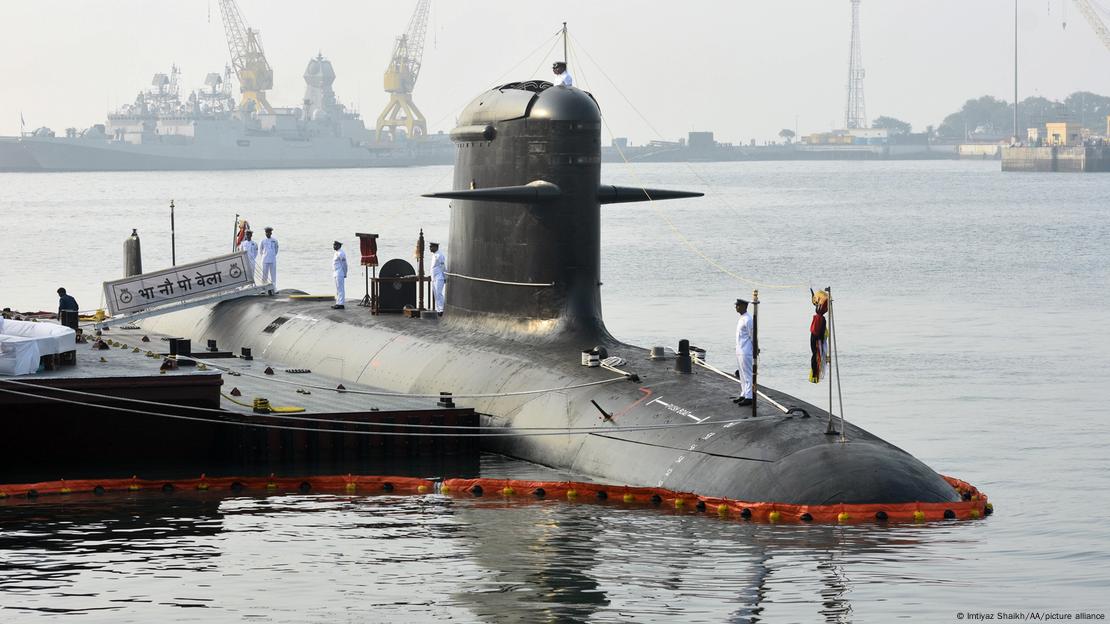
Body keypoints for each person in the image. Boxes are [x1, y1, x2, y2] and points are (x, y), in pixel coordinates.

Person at [734, 298, 754, 406]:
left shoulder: (748, 319)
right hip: (739, 350)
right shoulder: (741, 318)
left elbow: (752, 336)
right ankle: (744, 394)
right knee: (741, 374)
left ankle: (749, 396)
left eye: (738, 305)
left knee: (747, 374)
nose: (736, 307)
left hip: (746, 351)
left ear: (744, 306)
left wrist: (755, 349)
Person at [430, 242, 446, 314]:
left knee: (439, 293)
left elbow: (443, 266)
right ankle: (438, 309)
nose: (430, 248)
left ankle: (442, 309)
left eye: (431, 247)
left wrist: (445, 276)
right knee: (435, 294)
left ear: (436, 247)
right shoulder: (434, 255)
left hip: (439, 277)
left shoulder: (439, 255)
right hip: (434, 278)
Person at [332, 240, 348, 309]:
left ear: (339, 246)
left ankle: (341, 304)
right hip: (335, 273)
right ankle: (338, 302)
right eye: (333, 245)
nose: (334, 246)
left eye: (335, 245)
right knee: (338, 289)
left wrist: (345, 273)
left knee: (341, 288)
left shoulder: (341, 253)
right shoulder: (336, 253)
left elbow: (344, 264)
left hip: (340, 273)